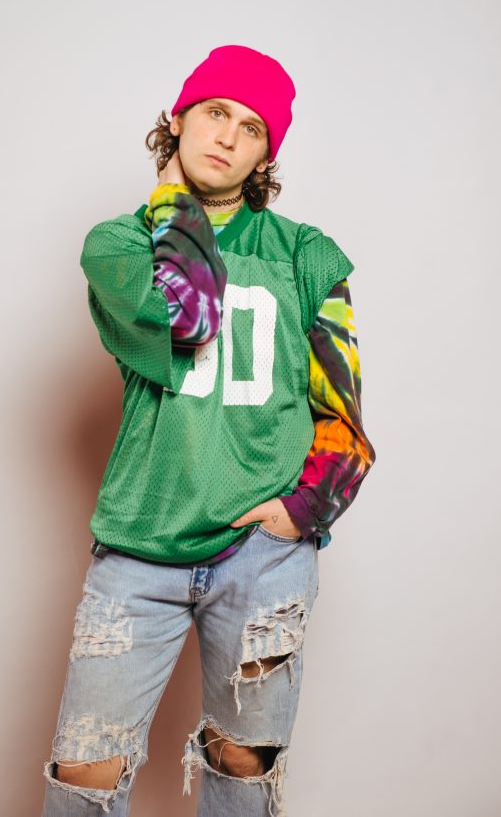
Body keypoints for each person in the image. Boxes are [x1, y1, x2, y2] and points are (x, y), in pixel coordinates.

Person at [41, 44, 376, 817]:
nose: (226, 136)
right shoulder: (116, 244)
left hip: (264, 559)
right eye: (215, 112)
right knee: (85, 773)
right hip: (139, 547)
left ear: (265, 155)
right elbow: (190, 314)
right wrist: (171, 201)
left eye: (251, 128)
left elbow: (342, 409)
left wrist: (303, 508)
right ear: (180, 120)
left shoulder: (306, 255)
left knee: (242, 770)